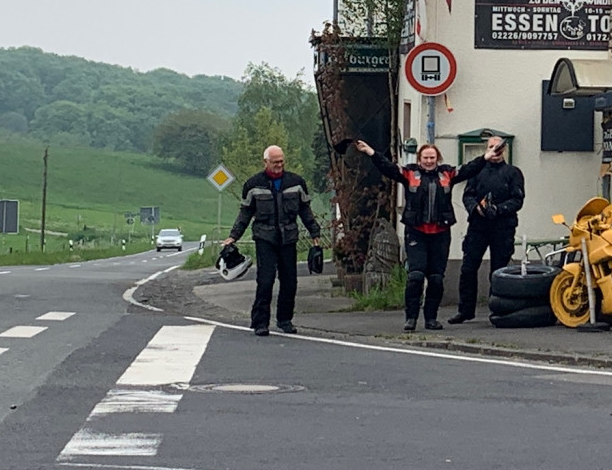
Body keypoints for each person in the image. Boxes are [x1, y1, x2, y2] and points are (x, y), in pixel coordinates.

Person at [355, 137, 499, 331]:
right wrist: (371, 152)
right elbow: (388, 168)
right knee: (415, 276)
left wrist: (485, 157)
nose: (429, 161)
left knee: (436, 278)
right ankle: (411, 318)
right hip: (416, 232)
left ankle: (431, 318)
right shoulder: (409, 173)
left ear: (437, 158)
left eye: (432, 157)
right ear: (419, 159)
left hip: (441, 233)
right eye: (425, 158)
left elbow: (468, 169)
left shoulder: (447, 173)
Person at [222, 145, 322, 336]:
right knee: (265, 281)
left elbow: (305, 210)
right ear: (265, 162)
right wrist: (233, 236)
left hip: (288, 238)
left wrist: (314, 232)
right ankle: (260, 322)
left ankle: (285, 320)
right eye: (275, 162)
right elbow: (245, 213)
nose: (279, 165)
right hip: (264, 238)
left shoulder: (297, 183)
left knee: (290, 282)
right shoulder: (253, 185)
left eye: (282, 161)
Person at [451, 136, 524, 323]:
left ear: (504, 150)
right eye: (491, 147)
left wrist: (498, 209)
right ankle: (465, 310)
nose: (495, 151)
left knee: (498, 270)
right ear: (487, 148)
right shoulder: (477, 171)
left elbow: (517, 200)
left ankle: (497, 309)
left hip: (503, 226)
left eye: (498, 147)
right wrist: (476, 208)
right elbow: (467, 195)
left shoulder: (513, 172)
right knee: (468, 268)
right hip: (478, 226)